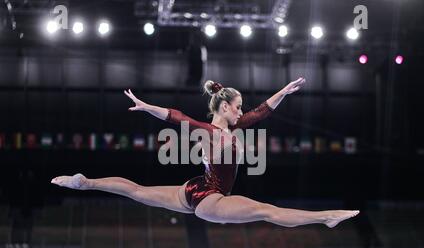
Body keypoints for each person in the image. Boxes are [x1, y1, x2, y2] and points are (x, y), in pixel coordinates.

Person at [51, 78, 359, 228]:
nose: (242, 112)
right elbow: (177, 117)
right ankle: (327, 217)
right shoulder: (210, 132)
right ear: (225, 107)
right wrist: (148, 107)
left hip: (195, 188)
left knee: (137, 190)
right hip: (210, 198)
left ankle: (84, 182)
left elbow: (261, 113)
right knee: (266, 211)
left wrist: (283, 91)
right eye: (238, 107)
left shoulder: (230, 130)